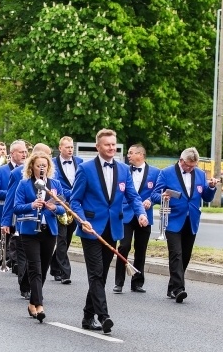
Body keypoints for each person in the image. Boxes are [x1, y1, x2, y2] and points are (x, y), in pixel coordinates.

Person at [70, 129, 147, 335]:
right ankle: (103, 316)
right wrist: (82, 220)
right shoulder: (85, 169)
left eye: (114, 144)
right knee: (95, 273)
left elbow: (133, 196)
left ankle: (87, 316)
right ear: (98, 147)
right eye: (107, 145)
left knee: (101, 275)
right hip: (91, 229)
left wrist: (140, 213)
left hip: (113, 229)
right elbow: (75, 201)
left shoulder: (123, 170)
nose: (111, 148)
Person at [154, 147, 217, 302]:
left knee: (186, 256)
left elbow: (207, 198)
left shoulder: (201, 174)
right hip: (173, 219)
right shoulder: (166, 173)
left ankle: (172, 286)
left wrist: (212, 187)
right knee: (176, 254)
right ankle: (178, 289)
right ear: (181, 160)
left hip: (192, 220)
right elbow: (154, 194)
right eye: (188, 165)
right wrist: (162, 196)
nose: (190, 168)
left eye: (193, 166)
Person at [13, 152, 65, 323]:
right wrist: (31, 205)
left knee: (44, 267)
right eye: (38, 165)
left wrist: (53, 208)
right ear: (32, 167)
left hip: (49, 231)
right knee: (35, 267)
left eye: (45, 165)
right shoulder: (24, 184)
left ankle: (32, 303)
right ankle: (40, 306)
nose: (42, 168)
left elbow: (63, 207)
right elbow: (17, 207)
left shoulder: (55, 184)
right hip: (29, 231)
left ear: (48, 167)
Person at [1, 143, 52, 299]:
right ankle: (25, 286)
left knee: (38, 262)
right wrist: (5, 222)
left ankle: (31, 287)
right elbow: (11, 199)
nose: (48, 160)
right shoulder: (18, 174)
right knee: (26, 257)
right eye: (47, 155)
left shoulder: (50, 176)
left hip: (45, 223)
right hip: (25, 221)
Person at [114, 144, 160, 294]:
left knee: (141, 249)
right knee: (124, 246)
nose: (128, 155)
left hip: (144, 216)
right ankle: (119, 282)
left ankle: (137, 282)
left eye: (131, 153)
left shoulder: (155, 172)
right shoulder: (124, 170)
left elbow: (156, 192)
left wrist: (151, 201)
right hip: (126, 214)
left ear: (140, 154)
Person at [0, 140, 27, 290]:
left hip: (22, 215)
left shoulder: (27, 170)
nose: (24, 154)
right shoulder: (1, 170)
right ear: (12, 154)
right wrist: (13, 194)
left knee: (22, 248)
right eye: (20, 152)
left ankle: (24, 285)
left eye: (25, 152)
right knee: (0, 247)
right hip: (4, 214)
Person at [50, 136, 83, 284]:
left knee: (68, 238)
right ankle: (65, 273)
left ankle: (54, 265)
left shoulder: (80, 162)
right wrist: (70, 196)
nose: (70, 150)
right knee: (61, 238)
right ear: (60, 148)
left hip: (75, 206)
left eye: (71, 147)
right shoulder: (53, 164)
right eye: (67, 147)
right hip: (61, 205)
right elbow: (56, 187)